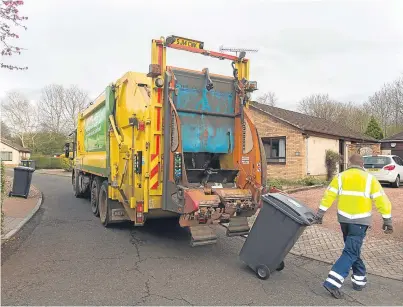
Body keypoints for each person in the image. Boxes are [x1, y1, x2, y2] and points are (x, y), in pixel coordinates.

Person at [315, 154, 393, 299]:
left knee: (352, 249)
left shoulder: (341, 177)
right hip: (360, 221)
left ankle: (359, 280)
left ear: (349, 164)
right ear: (363, 164)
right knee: (351, 251)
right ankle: (332, 283)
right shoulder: (370, 179)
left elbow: (328, 196)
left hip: (344, 220)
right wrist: (387, 220)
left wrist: (320, 214)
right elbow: (382, 200)